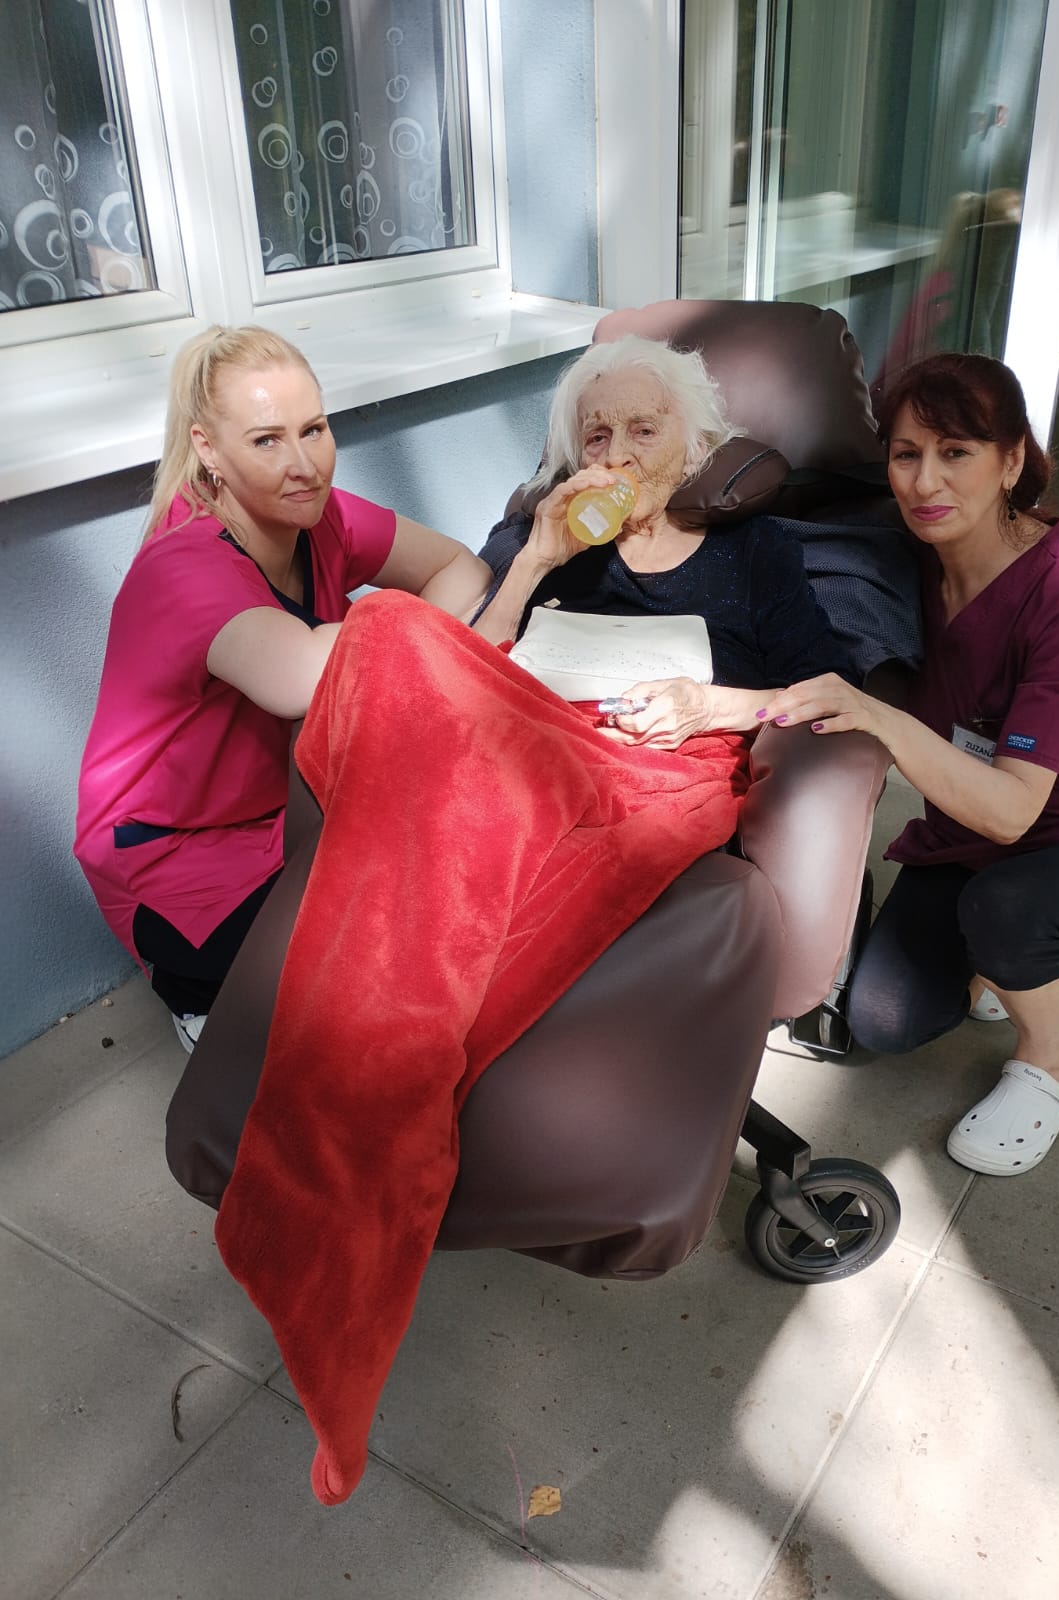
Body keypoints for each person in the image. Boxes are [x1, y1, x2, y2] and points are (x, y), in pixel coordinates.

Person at [200, 331, 873, 1507]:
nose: (618, 451)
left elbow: (821, 689)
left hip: (655, 764)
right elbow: (458, 669)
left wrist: (711, 702)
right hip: (521, 750)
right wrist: (535, 562)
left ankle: (382, 1094)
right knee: (394, 633)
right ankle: (361, 1041)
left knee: (471, 875)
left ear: (692, 442)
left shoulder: (753, 550)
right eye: (596, 434)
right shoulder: (547, 535)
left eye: (644, 430)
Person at [758, 352, 1059, 1177]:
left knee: (1011, 913)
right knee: (885, 1020)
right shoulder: (904, 554)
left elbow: (1014, 814)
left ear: (1012, 461)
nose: (925, 482)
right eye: (906, 454)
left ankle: (1048, 1063)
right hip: (966, 837)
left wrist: (880, 717)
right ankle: (1003, 967)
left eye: (957, 452)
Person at [74, 325, 502, 1053]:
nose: (305, 465)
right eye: (267, 440)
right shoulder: (183, 568)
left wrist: (401, 632)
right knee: (384, 960)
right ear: (208, 449)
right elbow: (302, 676)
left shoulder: (319, 516)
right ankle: (200, 999)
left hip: (283, 811)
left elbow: (462, 568)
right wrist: (405, 625)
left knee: (457, 874)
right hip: (174, 855)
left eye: (314, 429)